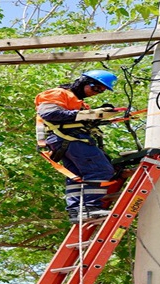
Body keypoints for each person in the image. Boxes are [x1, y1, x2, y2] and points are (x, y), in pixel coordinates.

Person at [34, 69, 122, 223]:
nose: (97, 92)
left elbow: (79, 118)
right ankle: (90, 208)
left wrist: (100, 114)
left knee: (78, 177)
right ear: (83, 82)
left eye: (101, 90)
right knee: (100, 169)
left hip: (68, 140)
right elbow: (50, 114)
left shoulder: (79, 103)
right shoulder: (58, 93)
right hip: (70, 139)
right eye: (95, 87)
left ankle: (76, 211)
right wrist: (91, 114)